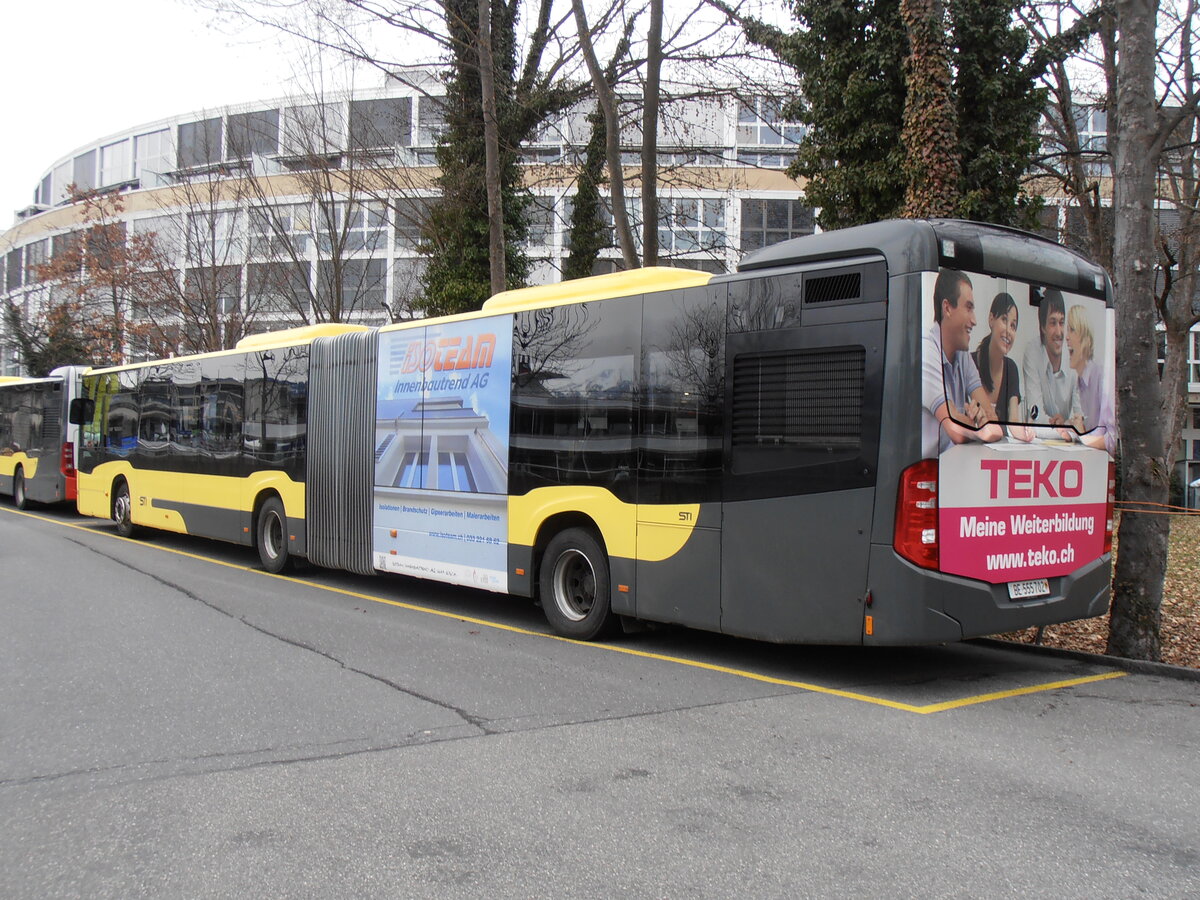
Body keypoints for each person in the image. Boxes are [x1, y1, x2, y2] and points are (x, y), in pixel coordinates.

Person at [922, 269, 1003, 455]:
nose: (974, 320)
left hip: (953, 469)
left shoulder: (962, 355)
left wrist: (979, 421)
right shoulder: (926, 350)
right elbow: (956, 431)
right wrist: (978, 423)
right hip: (927, 475)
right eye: (969, 307)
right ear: (947, 308)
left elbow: (994, 422)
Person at [970, 292, 1032, 441]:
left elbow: (1013, 420)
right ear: (991, 319)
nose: (1008, 331)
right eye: (1004, 320)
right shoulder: (969, 363)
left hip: (999, 451)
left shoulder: (1011, 369)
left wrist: (1025, 433)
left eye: (1013, 326)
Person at [1021, 288, 1082, 431]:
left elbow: (1080, 418)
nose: (1059, 332)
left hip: (1068, 443)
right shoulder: (1032, 352)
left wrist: (1065, 423)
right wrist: (1059, 425)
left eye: (1061, 322)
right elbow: (1034, 416)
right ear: (1042, 327)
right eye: (1053, 323)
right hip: (1041, 441)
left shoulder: (1073, 355)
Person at [1068, 303, 1117, 454]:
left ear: (1085, 338)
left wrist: (1081, 436)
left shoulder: (1101, 378)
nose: (1066, 337)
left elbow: (1112, 440)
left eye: (1072, 330)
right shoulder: (1078, 383)